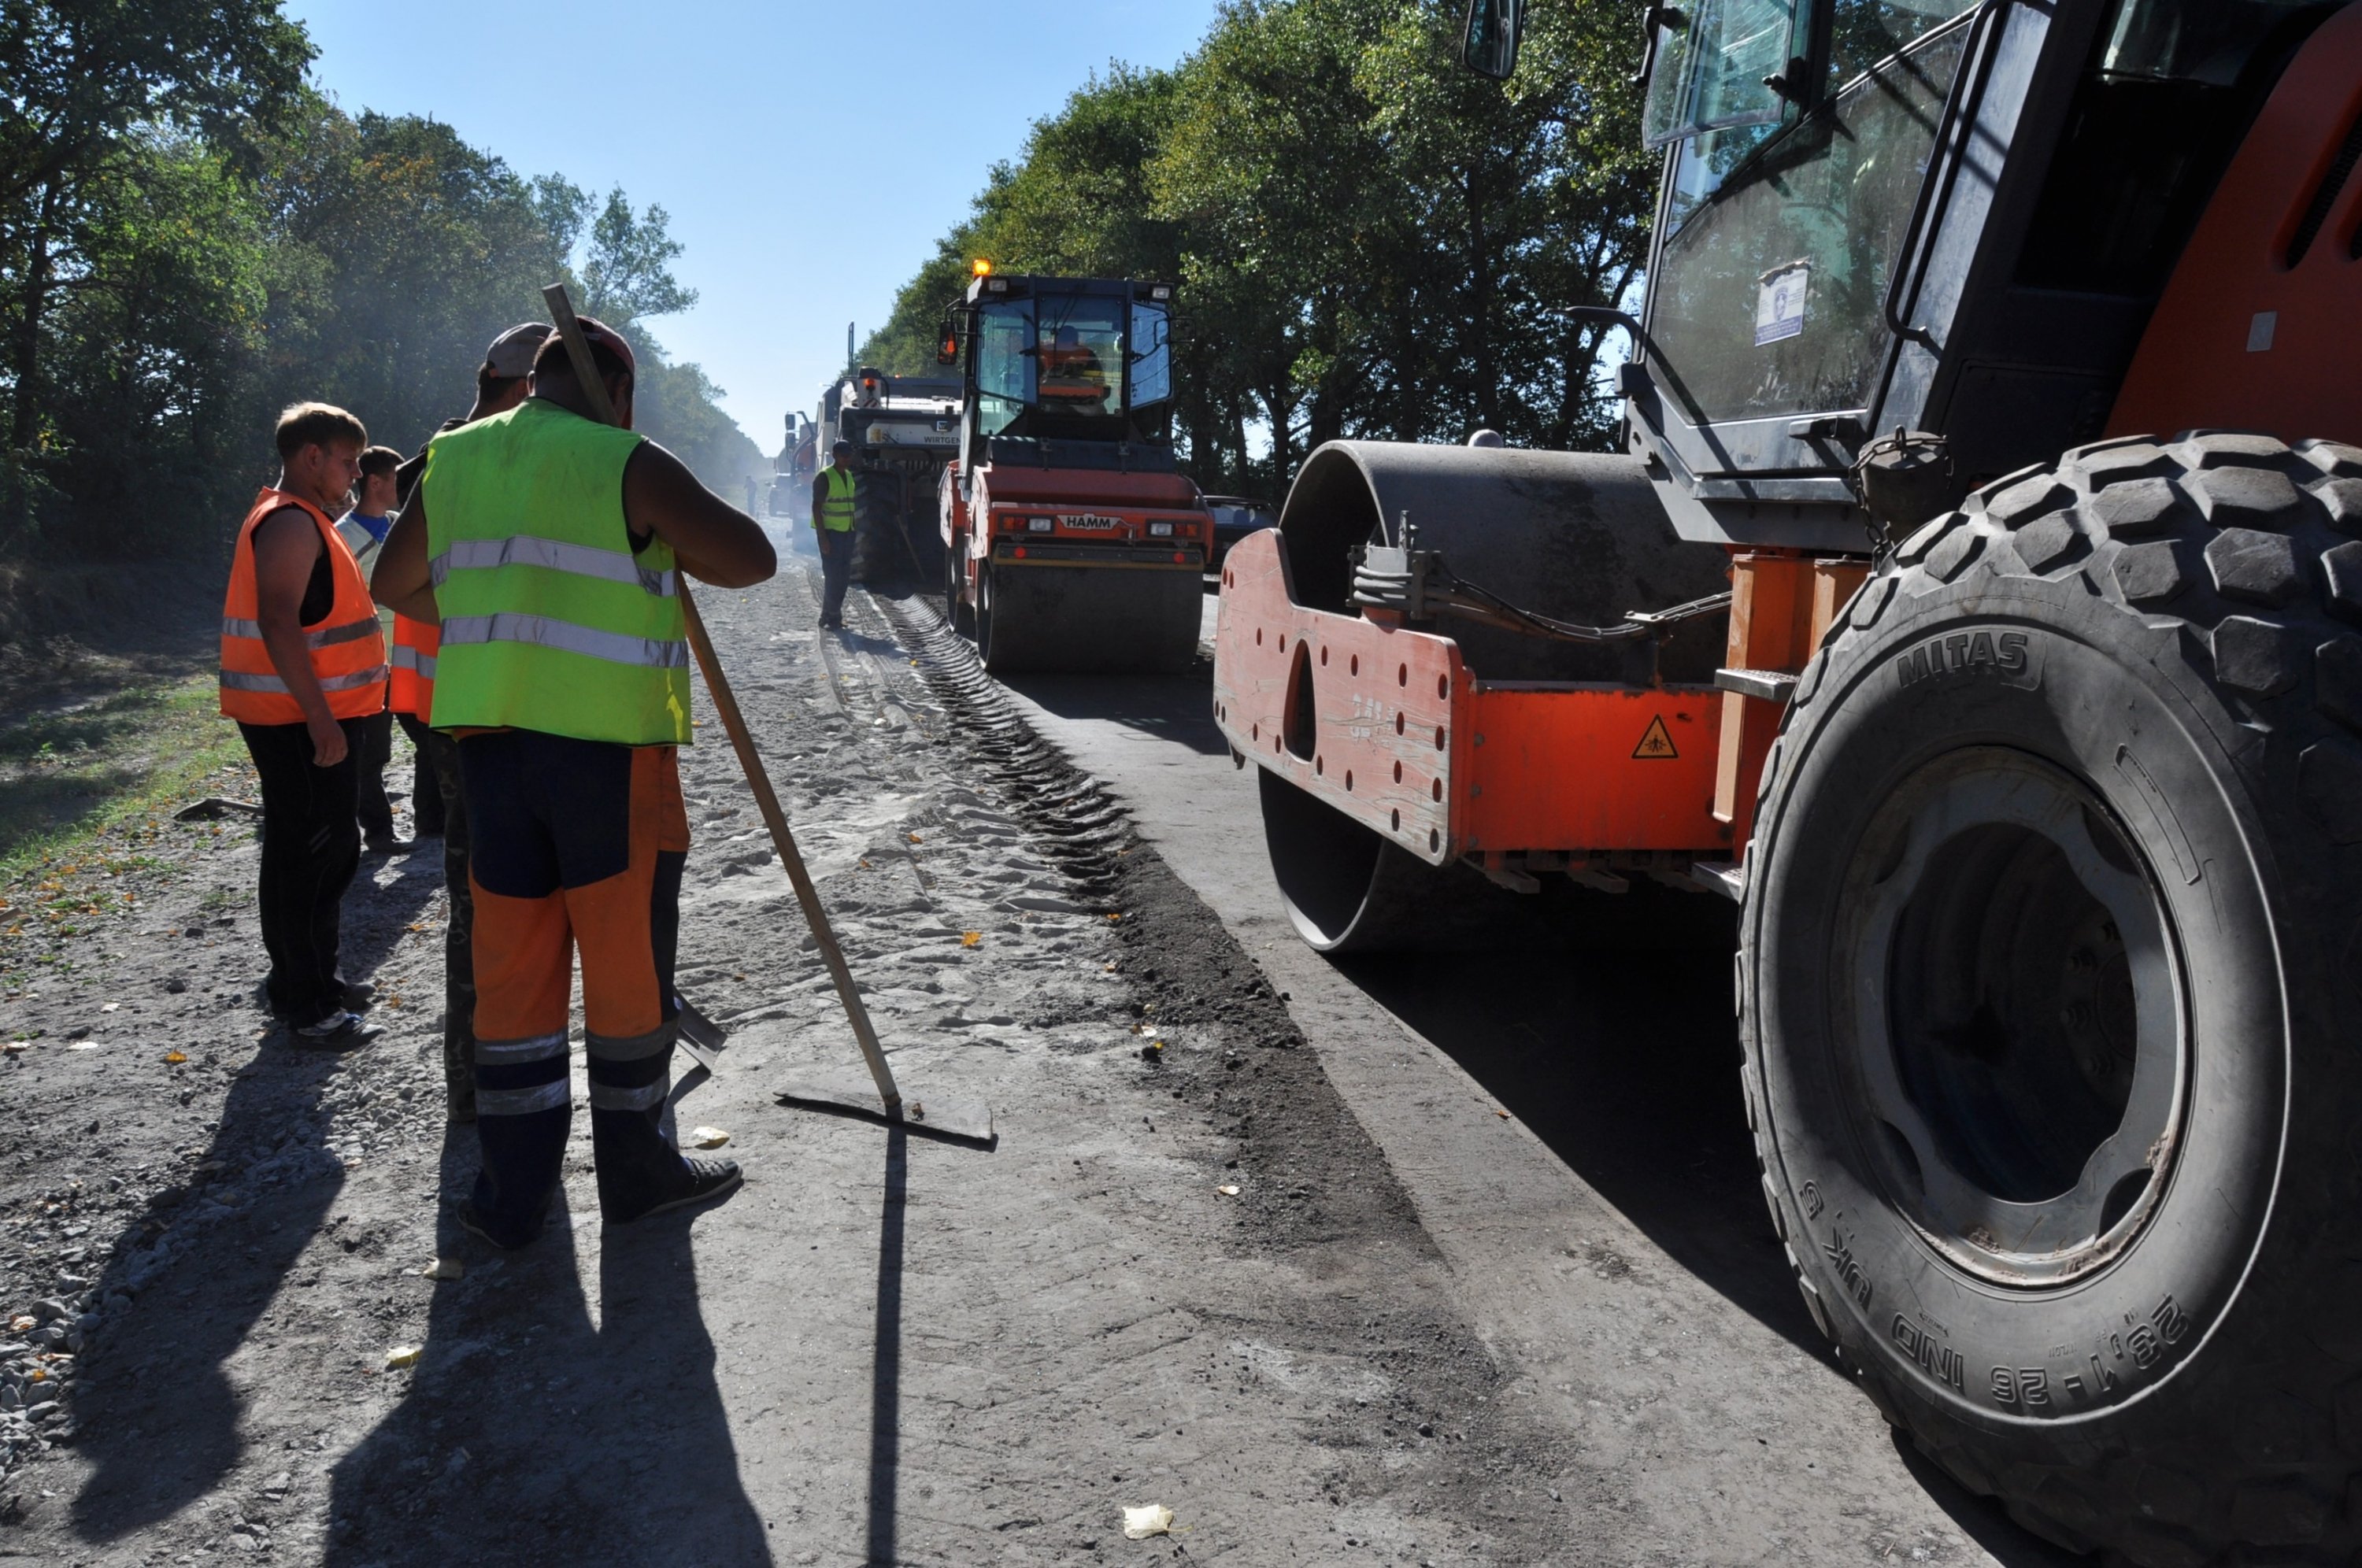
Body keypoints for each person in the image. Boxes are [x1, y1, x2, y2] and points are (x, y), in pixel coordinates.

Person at [373, 316, 776, 1246]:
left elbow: (393, 582)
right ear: (618, 392)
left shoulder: (456, 458)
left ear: (529, 383)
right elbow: (750, 559)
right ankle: (636, 1173)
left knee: (513, 977)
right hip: (605, 759)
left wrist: (499, 604)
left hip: (493, 758)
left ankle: (510, 1197)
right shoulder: (624, 458)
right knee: (627, 967)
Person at [388, 320, 551, 1123]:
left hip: (458, 702)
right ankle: (481, 1087)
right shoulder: (470, 457)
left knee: (485, 899)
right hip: (472, 708)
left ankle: (484, 1082)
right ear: (525, 389)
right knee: (487, 901)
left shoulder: (440, 453)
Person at [219, 403, 391, 1048]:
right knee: (318, 856)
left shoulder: (303, 518)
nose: (353, 476)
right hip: (299, 720)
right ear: (310, 456)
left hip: (302, 715)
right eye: (347, 462)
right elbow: (278, 621)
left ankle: (305, 981)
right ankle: (311, 1004)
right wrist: (321, 720)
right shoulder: (291, 521)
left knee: (301, 851)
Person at [337, 446, 416, 855]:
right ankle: (378, 833)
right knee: (371, 754)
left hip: (411, 658)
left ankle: (435, 821)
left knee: (433, 737)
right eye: (397, 477)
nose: (402, 486)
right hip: (370, 663)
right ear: (377, 482)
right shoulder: (342, 536)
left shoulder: (399, 525)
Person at [813, 439, 857, 629]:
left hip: (847, 532)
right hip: (831, 534)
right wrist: (823, 539)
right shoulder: (824, 477)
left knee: (843, 577)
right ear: (834, 456)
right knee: (833, 577)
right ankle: (833, 617)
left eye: (849, 455)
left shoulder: (848, 475)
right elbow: (816, 507)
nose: (846, 459)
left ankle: (828, 616)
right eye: (843, 455)